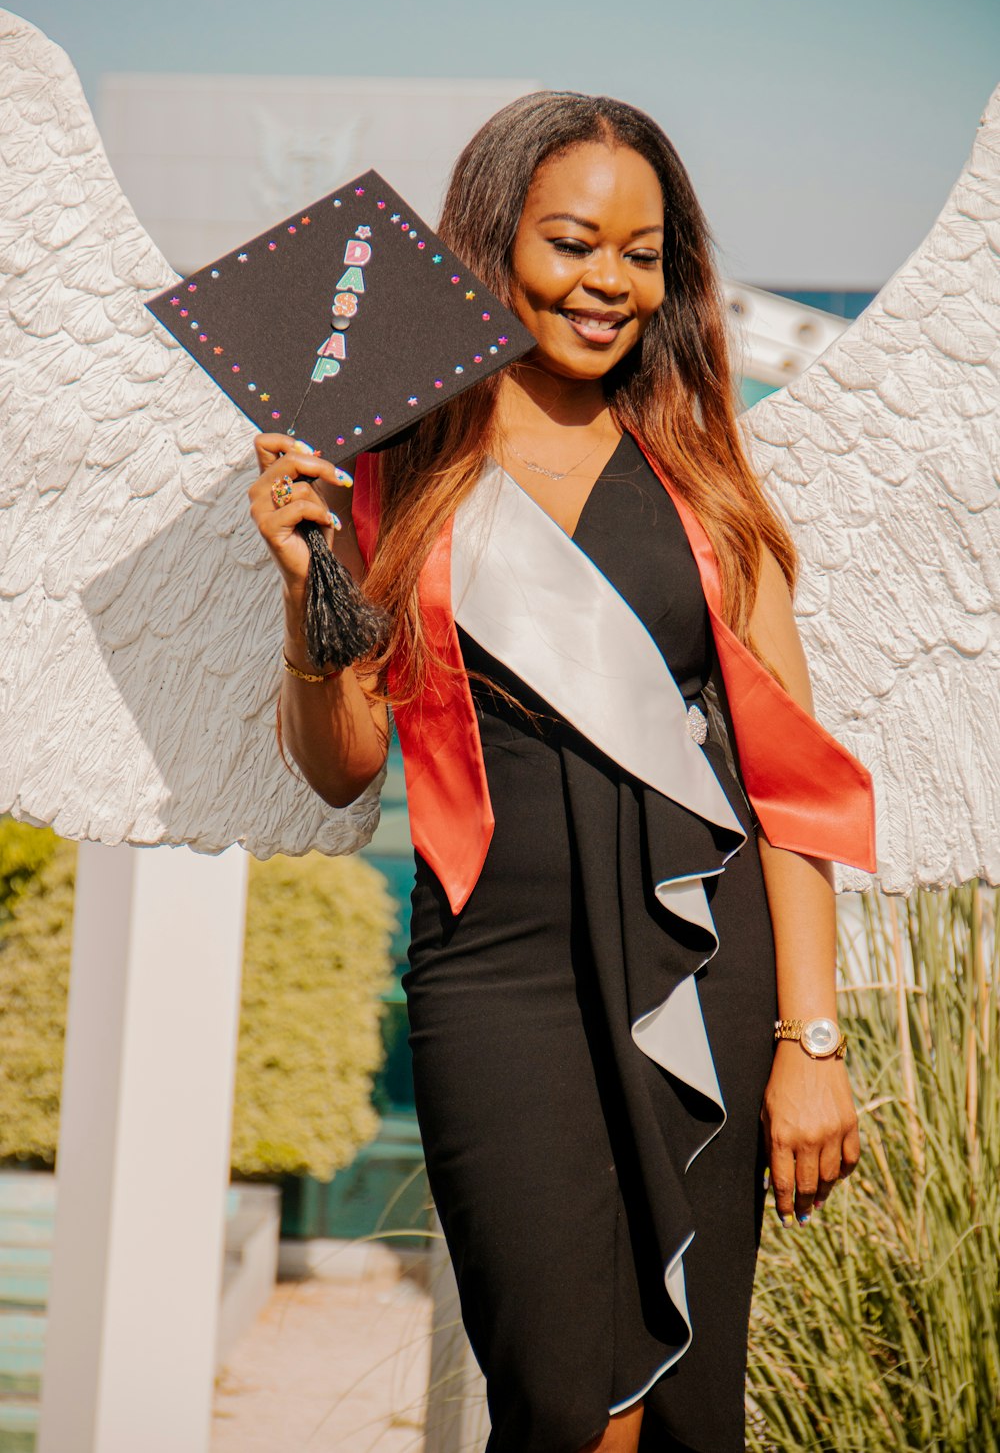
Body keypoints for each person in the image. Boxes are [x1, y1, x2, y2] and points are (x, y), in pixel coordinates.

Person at [247, 92, 872, 1453]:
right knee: (558, 1395)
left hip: (707, 964)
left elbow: (789, 784)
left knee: (686, 1396)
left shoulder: (706, 479)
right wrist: (311, 602)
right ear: (487, 246)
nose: (609, 283)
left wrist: (811, 1043)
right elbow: (345, 767)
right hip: (495, 962)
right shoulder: (391, 471)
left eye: (643, 255)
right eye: (574, 242)